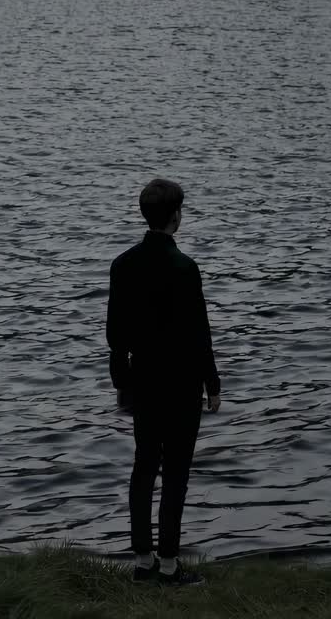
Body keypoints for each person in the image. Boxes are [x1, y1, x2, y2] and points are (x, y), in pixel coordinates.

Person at [106, 177, 221, 587]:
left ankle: (142, 561)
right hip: (181, 383)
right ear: (176, 216)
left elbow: (115, 335)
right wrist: (213, 384)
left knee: (143, 468)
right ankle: (170, 566)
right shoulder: (184, 268)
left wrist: (122, 382)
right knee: (175, 474)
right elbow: (199, 332)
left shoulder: (123, 265)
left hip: (143, 380)